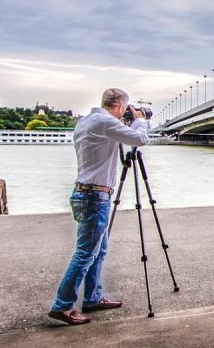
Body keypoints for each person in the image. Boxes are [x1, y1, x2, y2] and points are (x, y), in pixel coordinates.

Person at [48, 88, 149, 325]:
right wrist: (141, 121)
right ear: (121, 106)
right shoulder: (105, 122)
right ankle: (62, 305)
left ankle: (93, 298)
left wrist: (129, 123)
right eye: (126, 109)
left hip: (85, 193)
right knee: (85, 253)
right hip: (95, 197)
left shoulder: (86, 121)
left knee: (99, 250)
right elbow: (140, 139)